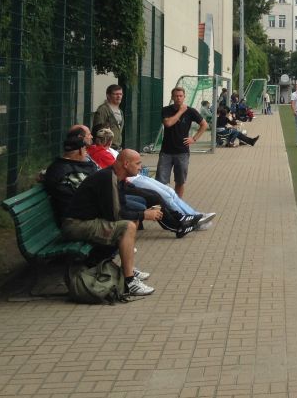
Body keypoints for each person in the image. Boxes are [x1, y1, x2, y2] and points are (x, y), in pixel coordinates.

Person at [61, 149, 158, 296]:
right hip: (76, 225)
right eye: (138, 163)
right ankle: (130, 281)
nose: (140, 167)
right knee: (128, 226)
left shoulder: (116, 177)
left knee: (133, 221)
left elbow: (120, 209)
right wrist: (144, 214)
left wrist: (140, 215)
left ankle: (127, 269)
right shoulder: (107, 178)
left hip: (88, 221)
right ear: (126, 164)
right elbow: (115, 215)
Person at [87, 125, 214, 228]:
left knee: (169, 191)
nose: (109, 141)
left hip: (136, 176)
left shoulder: (109, 150)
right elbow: (118, 169)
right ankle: (190, 220)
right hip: (131, 179)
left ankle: (194, 214)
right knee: (165, 196)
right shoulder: (99, 152)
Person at [157, 87, 208, 198]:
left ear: (184, 97)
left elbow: (204, 125)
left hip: (182, 152)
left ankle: (177, 203)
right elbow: (168, 123)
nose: (178, 98)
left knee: (180, 181)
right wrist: (180, 111)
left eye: (181, 96)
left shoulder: (191, 111)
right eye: (176, 96)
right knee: (161, 181)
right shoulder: (166, 110)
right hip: (166, 152)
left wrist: (194, 139)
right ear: (172, 97)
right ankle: (161, 203)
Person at [42, 133, 101, 223]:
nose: (86, 153)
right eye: (85, 149)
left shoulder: (57, 167)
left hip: (75, 214)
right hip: (77, 219)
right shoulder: (73, 172)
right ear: (81, 150)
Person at [92, 83, 125, 149]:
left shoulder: (120, 111)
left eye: (120, 94)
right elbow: (98, 130)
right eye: (116, 94)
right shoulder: (102, 110)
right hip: (106, 147)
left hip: (117, 147)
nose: (119, 96)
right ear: (108, 95)